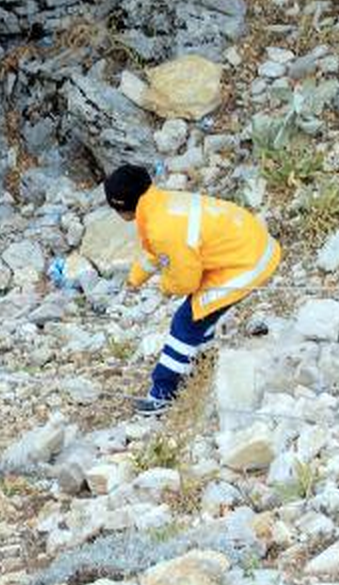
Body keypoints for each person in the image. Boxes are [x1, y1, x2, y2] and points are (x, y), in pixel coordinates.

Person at [105, 164, 282, 416]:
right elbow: (156, 253)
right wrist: (135, 279)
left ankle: (162, 394)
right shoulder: (159, 204)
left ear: (121, 207)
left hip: (244, 264)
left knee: (185, 323)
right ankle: (204, 365)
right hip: (251, 246)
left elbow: (185, 281)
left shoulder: (161, 227)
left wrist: (165, 287)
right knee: (202, 315)